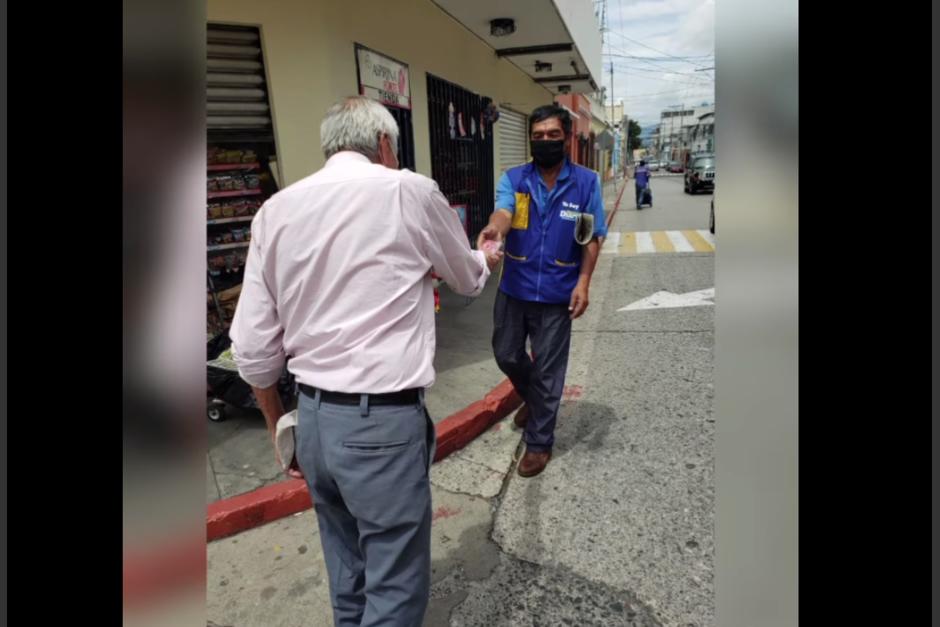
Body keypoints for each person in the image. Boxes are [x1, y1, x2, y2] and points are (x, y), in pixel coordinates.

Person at [230, 95, 502, 627]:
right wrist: (484, 256)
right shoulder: (407, 190)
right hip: (380, 427)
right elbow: (467, 278)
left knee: (347, 573)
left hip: (313, 422)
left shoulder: (275, 211)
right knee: (395, 592)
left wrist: (278, 425)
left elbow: (253, 350)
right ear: (383, 145)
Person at [476, 104, 607, 478]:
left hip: (557, 293)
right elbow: (503, 212)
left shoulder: (584, 184)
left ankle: (539, 443)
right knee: (506, 353)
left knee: (549, 371)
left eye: (552, 135)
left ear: (566, 138)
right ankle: (535, 400)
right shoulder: (516, 180)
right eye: (538, 135)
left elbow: (590, 237)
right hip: (514, 289)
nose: (545, 141)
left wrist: (583, 282)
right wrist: (495, 230)